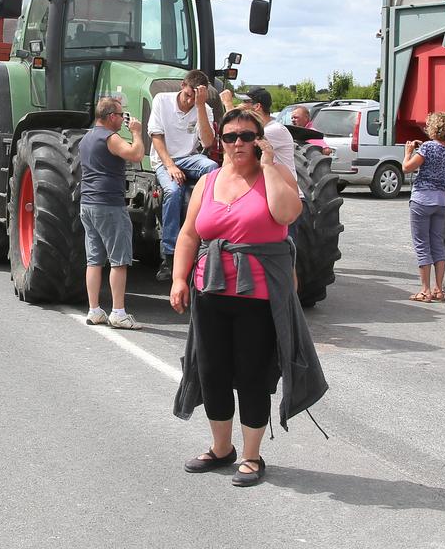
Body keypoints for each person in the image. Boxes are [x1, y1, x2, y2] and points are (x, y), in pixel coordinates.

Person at [169, 109, 327, 487]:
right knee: (212, 372)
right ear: (220, 142)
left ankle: (252, 455)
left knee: (253, 375)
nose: (237, 143)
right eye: (230, 136)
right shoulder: (208, 182)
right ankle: (221, 448)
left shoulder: (275, 174)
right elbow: (189, 234)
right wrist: (178, 279)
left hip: (259, 296)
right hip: (210, 291)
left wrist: (269, 164)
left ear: (259, 140)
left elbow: (286, 214)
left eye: (246, 136)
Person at [80, 96, 145, 330]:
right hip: (109, 204)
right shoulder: (110, 137)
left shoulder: (87, 138)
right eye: (120, 115)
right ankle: (118, 312)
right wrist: (136, 132)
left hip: (88, 203)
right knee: (119, 260)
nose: (122, 119)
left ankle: (94, 310)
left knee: (94, 260)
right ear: (110, 117)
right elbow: (136, 154)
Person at [148, 70, 218, 282]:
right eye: (188, 95)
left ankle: (206, 231)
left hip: (190, 158)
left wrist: (200, 107)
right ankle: (169, 254)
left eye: (194, 98)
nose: (189, 101)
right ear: (182, 86)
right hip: (165, 159)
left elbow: (207, 142)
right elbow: (156, 137)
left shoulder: (204, 108)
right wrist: (170, 166)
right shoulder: (162, 100)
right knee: (172, 191)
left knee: (213, 168)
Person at [402, 112, 445, 302]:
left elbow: (407, 168)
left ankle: (425, 290)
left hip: (422, 199)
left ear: (433, 128)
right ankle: (438, 290)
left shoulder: (427, 147)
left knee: (422, 245)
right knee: (437, 244)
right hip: (441, 201)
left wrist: (408, 152)